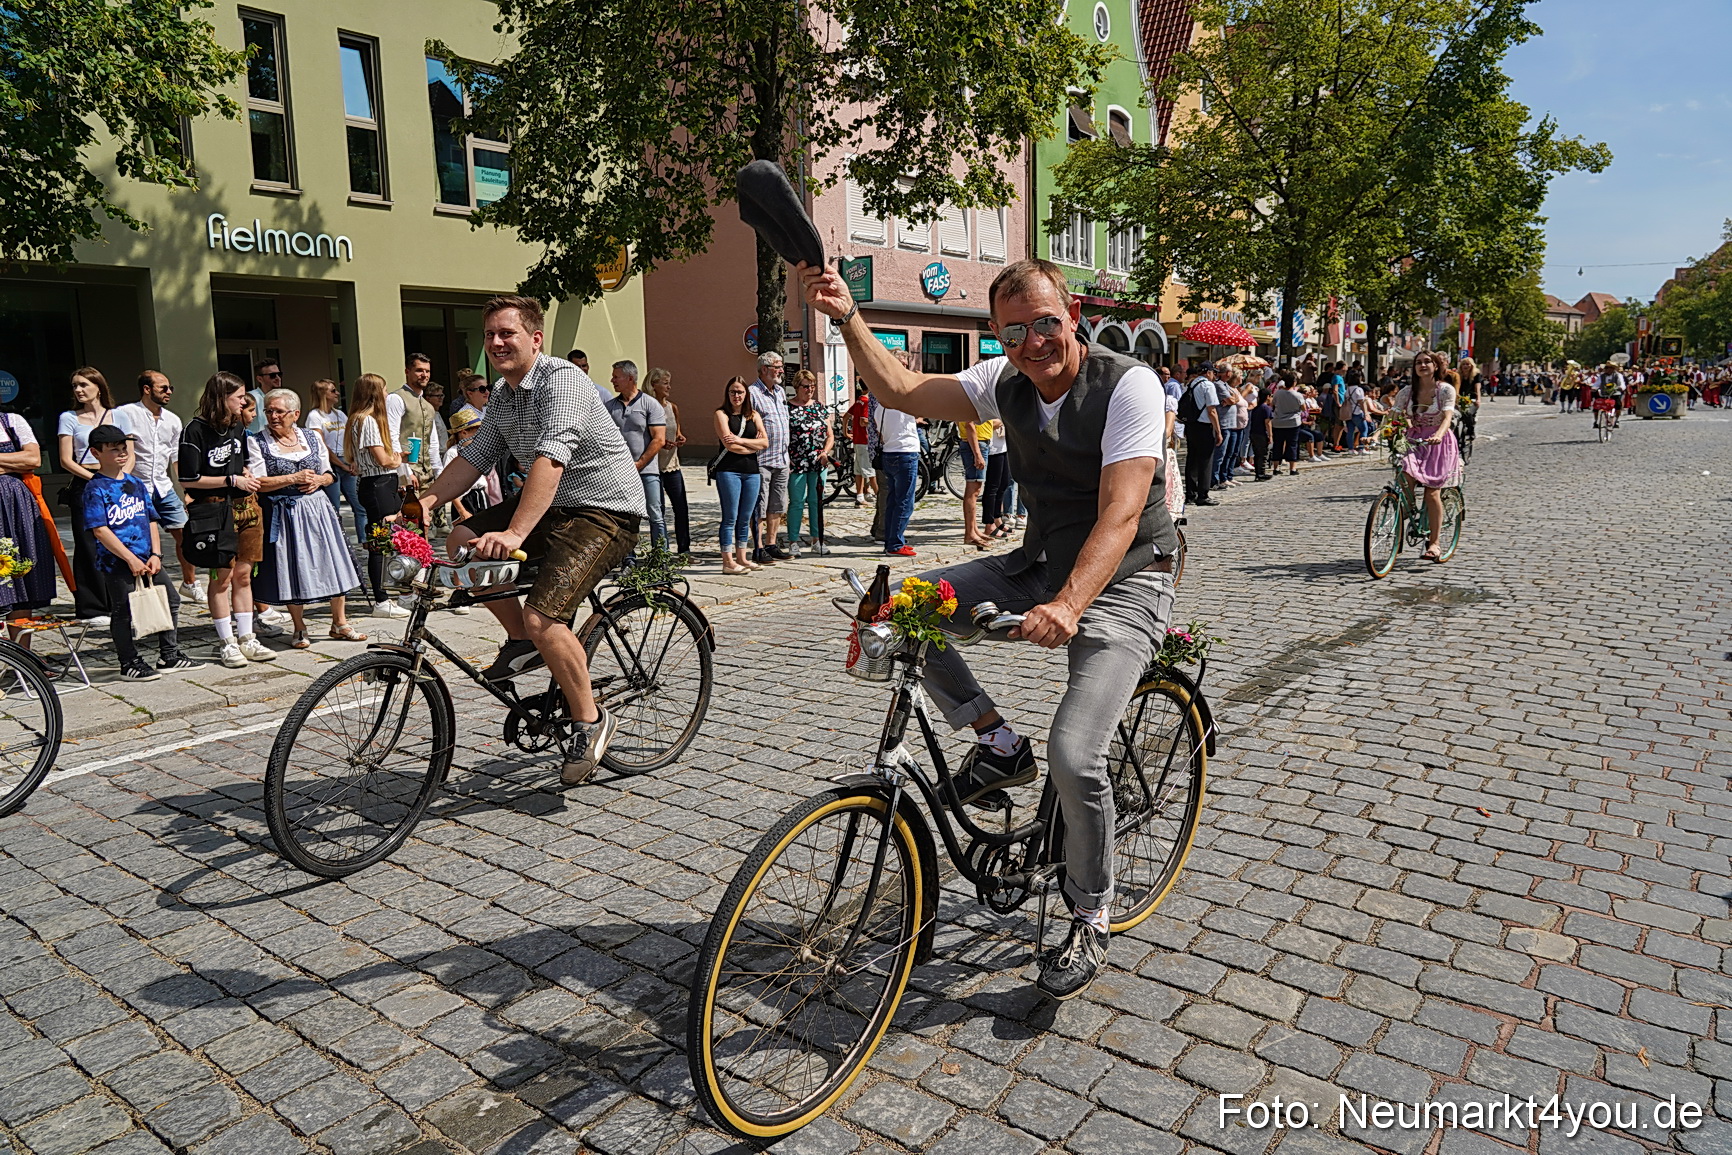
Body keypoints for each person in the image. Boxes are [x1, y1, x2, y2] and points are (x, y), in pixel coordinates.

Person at [800, 255, 1179, 999]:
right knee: (908, 607)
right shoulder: (1001, 382)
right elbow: (901, 389)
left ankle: (1090, 910)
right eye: (1014, 331)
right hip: (1041, 562)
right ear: (1000, 336)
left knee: (1076, 756)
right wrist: (847, 315)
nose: (1034, 341)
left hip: (1129, 576)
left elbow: (1123, 511)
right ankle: (998, 743)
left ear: (1071, 311)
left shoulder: (1126, 383)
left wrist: (1070, 605)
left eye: (1045, 322)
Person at [419, 296, 646, 787]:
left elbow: (551, 458)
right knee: (461, 540)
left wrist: (515, 532)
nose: (497, 343)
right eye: (489, 335)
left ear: (535, 339)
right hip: (551, 505)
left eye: (508, 333)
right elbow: (475, 457)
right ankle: (521, 641)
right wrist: (425, 502)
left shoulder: (562, 380)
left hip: (604, 508)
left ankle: (589, 720)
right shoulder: (503, 394)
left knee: (546, 615)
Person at [82, 425, 203, 680]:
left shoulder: (135, 483)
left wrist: (156, 554)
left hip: (147, 557)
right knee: (123, 610)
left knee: (171, 599)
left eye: (123, 448)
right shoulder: (96, 488)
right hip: (117, 561)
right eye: (113, 449)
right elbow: (100, 530)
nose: (121, 454)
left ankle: (169, 654)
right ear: (95, 452)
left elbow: (150, 520)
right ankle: (129, 662)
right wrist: (129, 558)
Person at [248, 389, 367, 649]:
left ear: (295, 414)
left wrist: (320, 480)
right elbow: (257, 483)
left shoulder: (311, 437)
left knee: (334, 561)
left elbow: (329, 473)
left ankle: (340, 622)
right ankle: (299, 627)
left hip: (318, 508)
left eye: (279, 411)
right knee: (293, 566)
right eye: (269, 411)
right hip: (285, 511)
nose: (273, 416)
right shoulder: (257, 442)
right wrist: (293, 478)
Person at [179, 372, 273, 668]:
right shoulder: (194, 431)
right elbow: (188, 478)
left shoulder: (237, 426)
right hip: (215, 509)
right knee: (222, 577)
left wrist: (244, 473)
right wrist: (230, 479)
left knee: (244, 574)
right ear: (221, 398)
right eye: (239, 397)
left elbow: (242, 459)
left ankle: (247, 637)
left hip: (246, 506)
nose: (244, 401)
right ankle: (226, 641)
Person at [114, 370, 201, 604]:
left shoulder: (172, 420)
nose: (169, 392)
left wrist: (187, 491)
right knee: (139, 541)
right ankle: (144, 590)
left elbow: (175, 457)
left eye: (170, 387)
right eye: (163, 388)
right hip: (135, 488)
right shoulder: (125, 413)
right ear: (146, 389)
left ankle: (190, 583)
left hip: (163, 487)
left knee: (186, 534)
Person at [344, 374, 409, 619]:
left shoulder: (356, 420)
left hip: (375, 483)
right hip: (378, 483)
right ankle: (381, 599)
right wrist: (399, 457)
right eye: (383, 389)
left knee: (386, 538)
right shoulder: (367, 421)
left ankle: (389, 592)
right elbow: (382, 459)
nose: (386, 393)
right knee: (380, 542)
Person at [1392, 353, 1464, 562]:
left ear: (1435, 366)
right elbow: (1393, 415)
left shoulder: (1444, 390)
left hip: (1439, 442)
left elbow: (1448, 417)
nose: (1422, 365)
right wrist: (1375, 435)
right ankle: (1406, 509)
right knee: (1404, 477)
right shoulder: (1407, 392)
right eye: (1418, 363)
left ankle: (1434, 543)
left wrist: (1439, 434)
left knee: (1432, 493)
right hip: (1414, 440)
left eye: (1427, 362)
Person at [603, 361, 668, 551]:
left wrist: (639, 464)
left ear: (630, 378)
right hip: (619, 473)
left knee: (656, 516)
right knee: (625, 518)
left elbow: (659, 439)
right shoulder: (609, 407)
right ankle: (627, 560)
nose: (612, 380)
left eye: (616, 377)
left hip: (647, 472)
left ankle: (660, 559)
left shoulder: (650, 404)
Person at [0, 407, 57, 622]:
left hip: (16, 507)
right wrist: (11, 462)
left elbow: (33, 459)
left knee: (22, 580)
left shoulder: (12, 421)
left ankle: (22, 652)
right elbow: (23, 459)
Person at [714, 377, 767, 574]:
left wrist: (740, 440)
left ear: (746, 394)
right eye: (733, 392)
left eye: (740, 392)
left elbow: (765, 443)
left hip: (752, 471)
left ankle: (742, 558)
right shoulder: (721, 414)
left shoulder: (753, 415)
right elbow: (729, 445)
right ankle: (727, 561)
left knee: (745, 517)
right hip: (729, 470)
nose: (737, 396)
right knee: (730, 516)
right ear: (727, 394)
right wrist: (750, 445)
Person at [304, 378, 363, 544]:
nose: (337, 393)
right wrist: (341, 464)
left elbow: (350, 438)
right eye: (332, 391)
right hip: (329, 465)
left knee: (359, 506)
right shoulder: (315, 417)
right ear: (323, 394)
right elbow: (321, 445)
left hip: (346, 460)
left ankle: (364, 542)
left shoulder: (340, 414)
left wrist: (352, 459)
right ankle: (338, 543)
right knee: (334, 508)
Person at [747, 352, 792, 562]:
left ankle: (771, 543)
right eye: (777, 366)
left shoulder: (781, 392)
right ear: (764, 369)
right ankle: (757, 547)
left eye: (781, 366)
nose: (781, 370)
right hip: (762, 459)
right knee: (760, 506)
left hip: (782, 458)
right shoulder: (752, 393)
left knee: (777, 505)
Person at [785, 369, 833, 557]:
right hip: (796, 461)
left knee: (816, 501)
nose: (809, 390)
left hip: (817, 461)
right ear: (797, 387)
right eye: (806, 386)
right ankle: (793, 541)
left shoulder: (820, 408)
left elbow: (830, 435)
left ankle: (817, 539)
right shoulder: (787, 407)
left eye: (812, 386)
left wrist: (825, 452)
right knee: (797, 502)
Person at [872, 388, 922, 558]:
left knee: (892, 500)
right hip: (905, 452)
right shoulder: (903, 405)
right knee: (905, 501)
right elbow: (921, 407)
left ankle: (891, 539)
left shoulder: (880, 408)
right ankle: (895, 543)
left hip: (888, 453)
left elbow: (880, 431)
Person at [647, 369, 691, 556]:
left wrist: (680, 439)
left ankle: (684, 550)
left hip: (672, 464)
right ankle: (661, 553)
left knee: (681, 508)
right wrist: (659, 443)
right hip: (654, 466)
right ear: (653, 384)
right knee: (659, 512)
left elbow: (677, 431)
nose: (668, 387)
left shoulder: (672, 407)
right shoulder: (648, 407)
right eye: (665, 383)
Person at [390, 353, 440, 495]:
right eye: (419, 370)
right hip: (408, 473)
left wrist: (438, 472)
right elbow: (391, 436)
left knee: (430, 517)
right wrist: (405, 474)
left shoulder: (428, 406)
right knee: (411, 516)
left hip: (427, 473)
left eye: (427, 371)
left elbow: (433, 442)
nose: (424, 375)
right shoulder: (396, 398)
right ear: (407, 372)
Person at [1178, 363, 1221, 506]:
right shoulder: (1208, 386)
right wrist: (1218, 431)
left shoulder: (1191, 384)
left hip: (1191, 425)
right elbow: (1212, 411)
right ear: (1208, 372)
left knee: (1192, 460)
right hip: (1204, 426)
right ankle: (1203, 495)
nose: (1214, 375)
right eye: (1213, 372)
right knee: (1205, 461)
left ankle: (1190, 494)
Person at [846, 391, 875, 506]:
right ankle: (882, 499)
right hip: (865, 440)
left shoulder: (858, 401)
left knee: (858, 471)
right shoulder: (866, 401)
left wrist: (846, 433)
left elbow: (846, 417)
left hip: (857, 440)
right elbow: (863, 421)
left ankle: (860, 497)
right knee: (871, 472)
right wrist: (875, 422)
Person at [1249, 386, 1274, 481]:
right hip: (1261, 433)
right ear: (1268, 396)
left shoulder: (1256, 408)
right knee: (1263, 454)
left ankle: (1258, 473)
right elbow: (1268, 423)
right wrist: (1270, 435)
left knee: (1257, 453)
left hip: (1254, 433)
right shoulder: (1266, 408)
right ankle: (1261, 473)